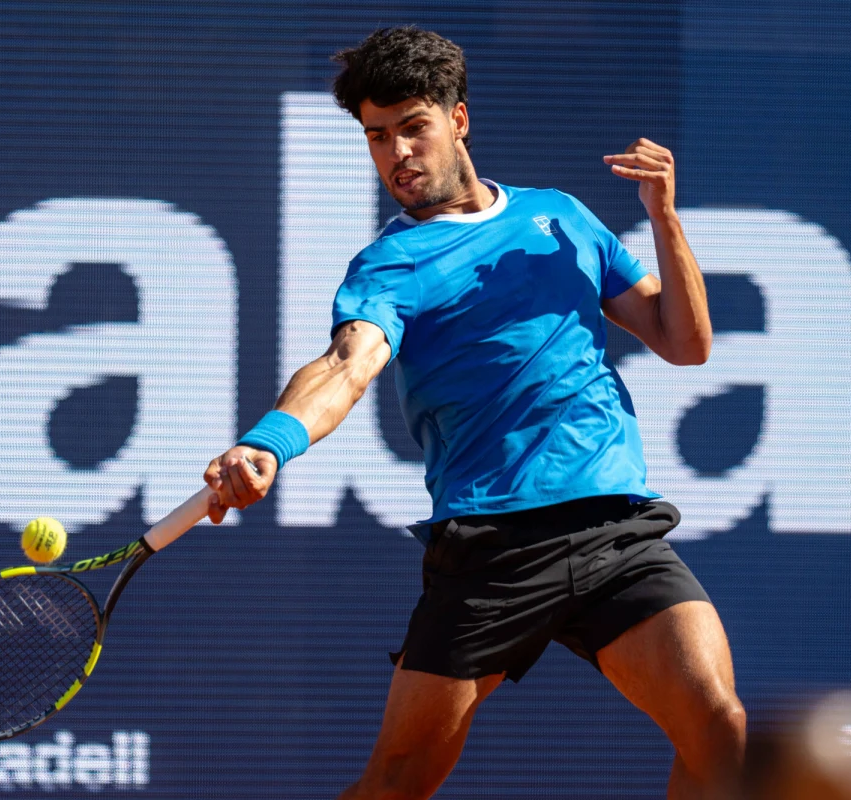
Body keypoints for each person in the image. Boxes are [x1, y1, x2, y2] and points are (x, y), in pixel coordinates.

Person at [203, 26, 745, 800]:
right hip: (492, 550)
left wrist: (664, 217)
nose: (397, 153)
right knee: (398, 782)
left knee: (717, 727)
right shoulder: (389, 265)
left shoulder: (561, 218)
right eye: (377, 136)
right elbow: (346, 366)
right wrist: (270, 442)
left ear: (458, 119)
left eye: (412, 127)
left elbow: (684, 344)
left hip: (613, 530)